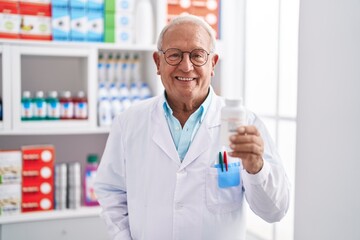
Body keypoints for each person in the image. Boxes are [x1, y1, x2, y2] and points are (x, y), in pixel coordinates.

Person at [94, 14, 290, 240]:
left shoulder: (245, 122)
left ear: (212, 63)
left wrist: (257, 168)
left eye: (197, 55)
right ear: (158, 63)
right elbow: (111, 192)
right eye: (174, 55)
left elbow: (275, 211)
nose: (186, 66)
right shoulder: (129, 122)